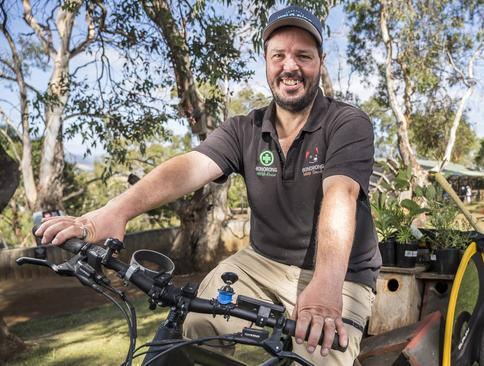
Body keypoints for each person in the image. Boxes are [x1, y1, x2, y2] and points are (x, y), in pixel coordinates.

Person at [33, 6, 380, 365]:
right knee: (195, 328)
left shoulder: (346, 122)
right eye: (279, 55)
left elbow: (342, 194)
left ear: (320, 62)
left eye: (303, 56)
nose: (289, 66)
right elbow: (189, 167)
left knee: (318, 357)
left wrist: (325, 285)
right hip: (262, 261)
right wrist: (112, 213)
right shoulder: (244, 128)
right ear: (266, 61)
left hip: (341, 271)